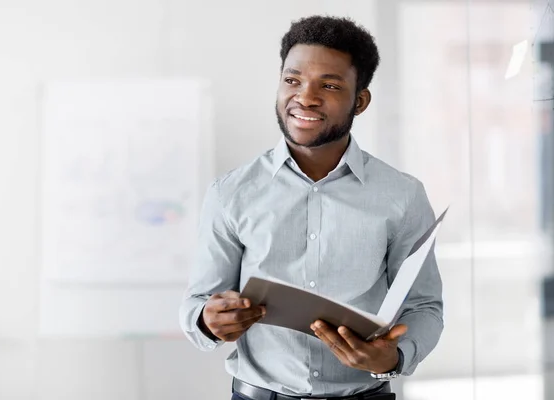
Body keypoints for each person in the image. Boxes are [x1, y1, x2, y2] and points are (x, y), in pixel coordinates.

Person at [179, 15, 444, 400]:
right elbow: (198, 303)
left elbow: (424, 306)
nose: (305, 96)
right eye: (292, 80)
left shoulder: (402, 195)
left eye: (330, 85)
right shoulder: (231, 193)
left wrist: (394, 357)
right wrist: (208, 320)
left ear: (361, 100)